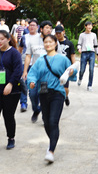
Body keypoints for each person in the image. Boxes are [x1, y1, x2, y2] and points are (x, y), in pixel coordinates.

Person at [27, 34, 77, 163]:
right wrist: (32, 82)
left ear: (55, 44)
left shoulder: (62, 59)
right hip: (43, 92)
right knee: (46, 121)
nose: (47, 44)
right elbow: (32, 74)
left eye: (50, 42)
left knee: (53, 121)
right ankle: (53, 141)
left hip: (58, 93)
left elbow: (71, 71)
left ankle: (51, 150)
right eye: (45, 42)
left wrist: (71, 72)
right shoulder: (40, 60)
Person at [21, 20, 52, 122]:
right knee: (32, 94)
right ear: (41, 29)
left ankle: (45, 116)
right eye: (47, 27)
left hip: (47, 75)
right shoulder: (33, 40)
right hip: (34, 73)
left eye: (50, 28)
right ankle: (36, 109)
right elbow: (28, 56)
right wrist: (25, 71)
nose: (49, 30)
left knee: (43, 95)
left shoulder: (53, 41)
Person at [55, 25, 75, 106]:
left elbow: (72, 55)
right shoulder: (53, 42)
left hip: (66, 68)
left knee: (65, 88)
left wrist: (73, 67)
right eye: (57, 33)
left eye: (60, 33)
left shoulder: (69, 43)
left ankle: (66, 96)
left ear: (63, 32)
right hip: (55, 67)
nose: (58, 34)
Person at [77, 21, 98, 91]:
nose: (90, 27)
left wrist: (97, 54)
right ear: (85, 26)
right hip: (84, 53)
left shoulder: (94, 35)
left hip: (92, 53)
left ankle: (89, 85)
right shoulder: (82, 35)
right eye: (88, 25)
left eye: (91, 26)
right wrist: (79, 48)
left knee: (91, 69)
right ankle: (80, 78)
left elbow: (95, 45)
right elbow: (79, 44)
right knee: (82, 69)